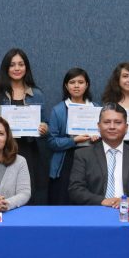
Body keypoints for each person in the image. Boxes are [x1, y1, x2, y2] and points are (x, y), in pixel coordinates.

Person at [0, 48, 48, 204]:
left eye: (21, 64)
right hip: (2, 151)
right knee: (3, 192)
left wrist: (44, 128)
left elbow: (46, 123)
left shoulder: (37, 93)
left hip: (29, 150)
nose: (17, 68)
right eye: (12, 65)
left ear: (26, 67)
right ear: (6, 68)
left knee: (28, 193)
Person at [68, 103, 129, 206]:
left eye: (118, 122)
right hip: (96, 212)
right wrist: (102, 201)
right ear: (98, 126)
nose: (112, 127)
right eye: (107, 122)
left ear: (126, 127)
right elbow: (75, 190)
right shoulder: (83, 155)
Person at [46, 68, 99, 204]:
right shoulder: (58, 110)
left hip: (91, 159)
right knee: (63, 202)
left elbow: (107, 135)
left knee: (88, 203)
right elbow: (51, 142)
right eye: (72, 82)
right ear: (66, 86)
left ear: (87, 85)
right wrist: (73, 140)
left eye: (80, 82)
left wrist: (98, 138)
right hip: (66, 160)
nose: (76, 86)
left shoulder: (96, 108)